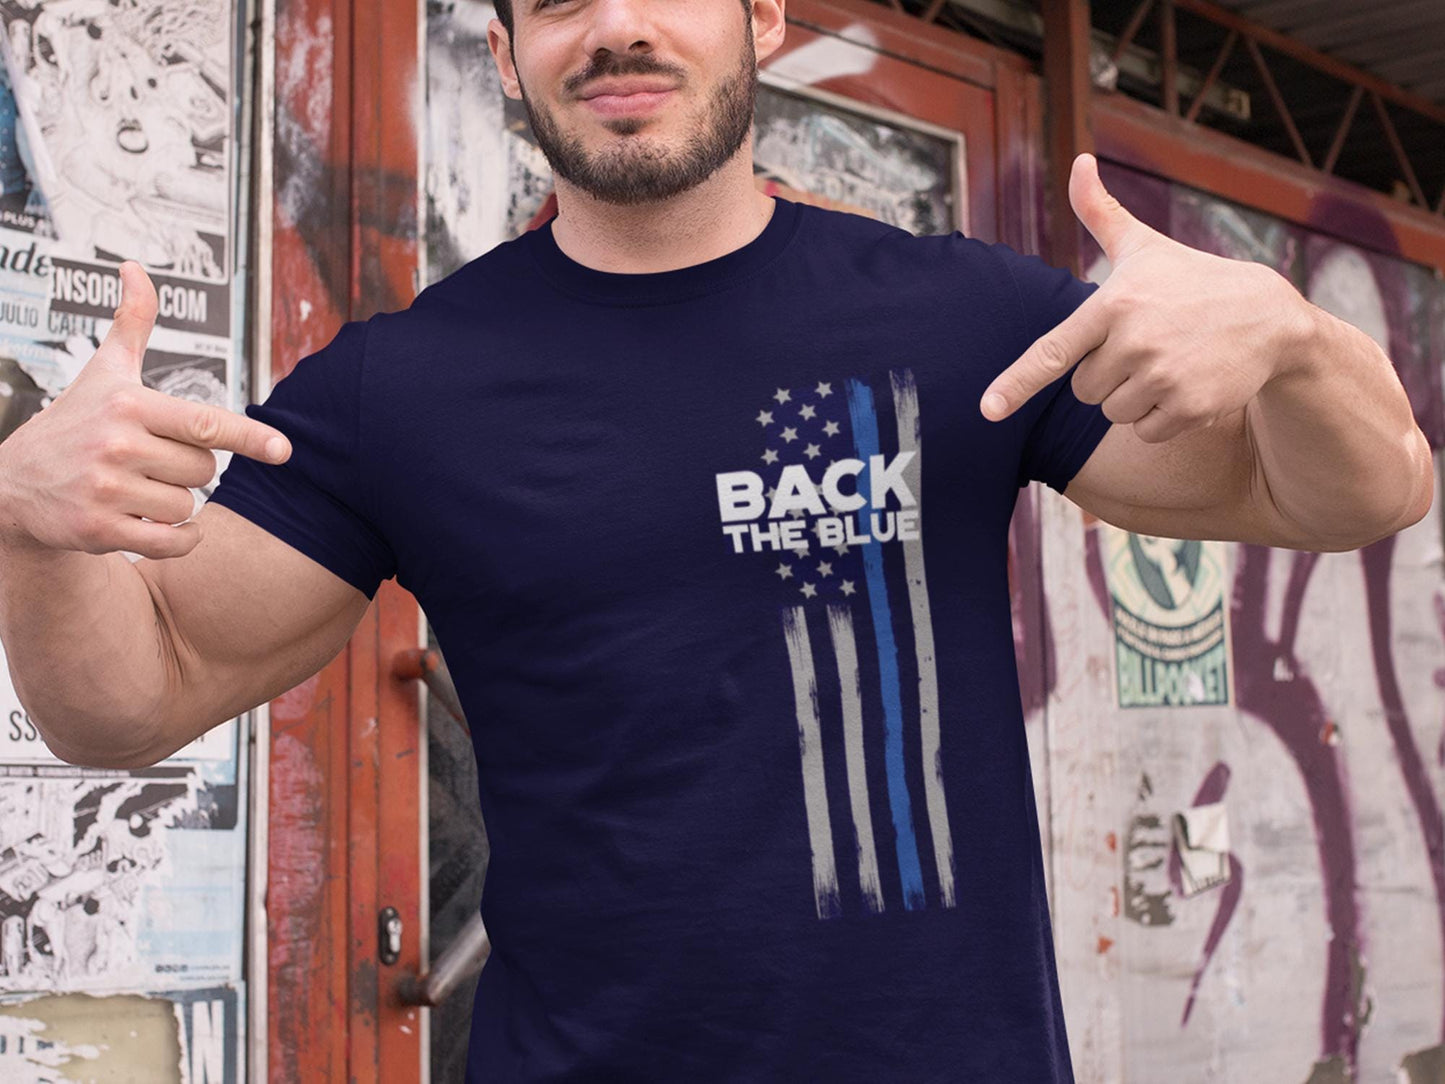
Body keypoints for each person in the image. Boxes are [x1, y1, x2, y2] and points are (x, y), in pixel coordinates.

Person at [0, 0, 1431, 1080]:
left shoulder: (958, 318)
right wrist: (29, 523)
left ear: (759, 18)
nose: (616, 26)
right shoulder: (404, 390)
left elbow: (1356, 496)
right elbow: (130, 698)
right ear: (508, 56)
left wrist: (1298, 343)